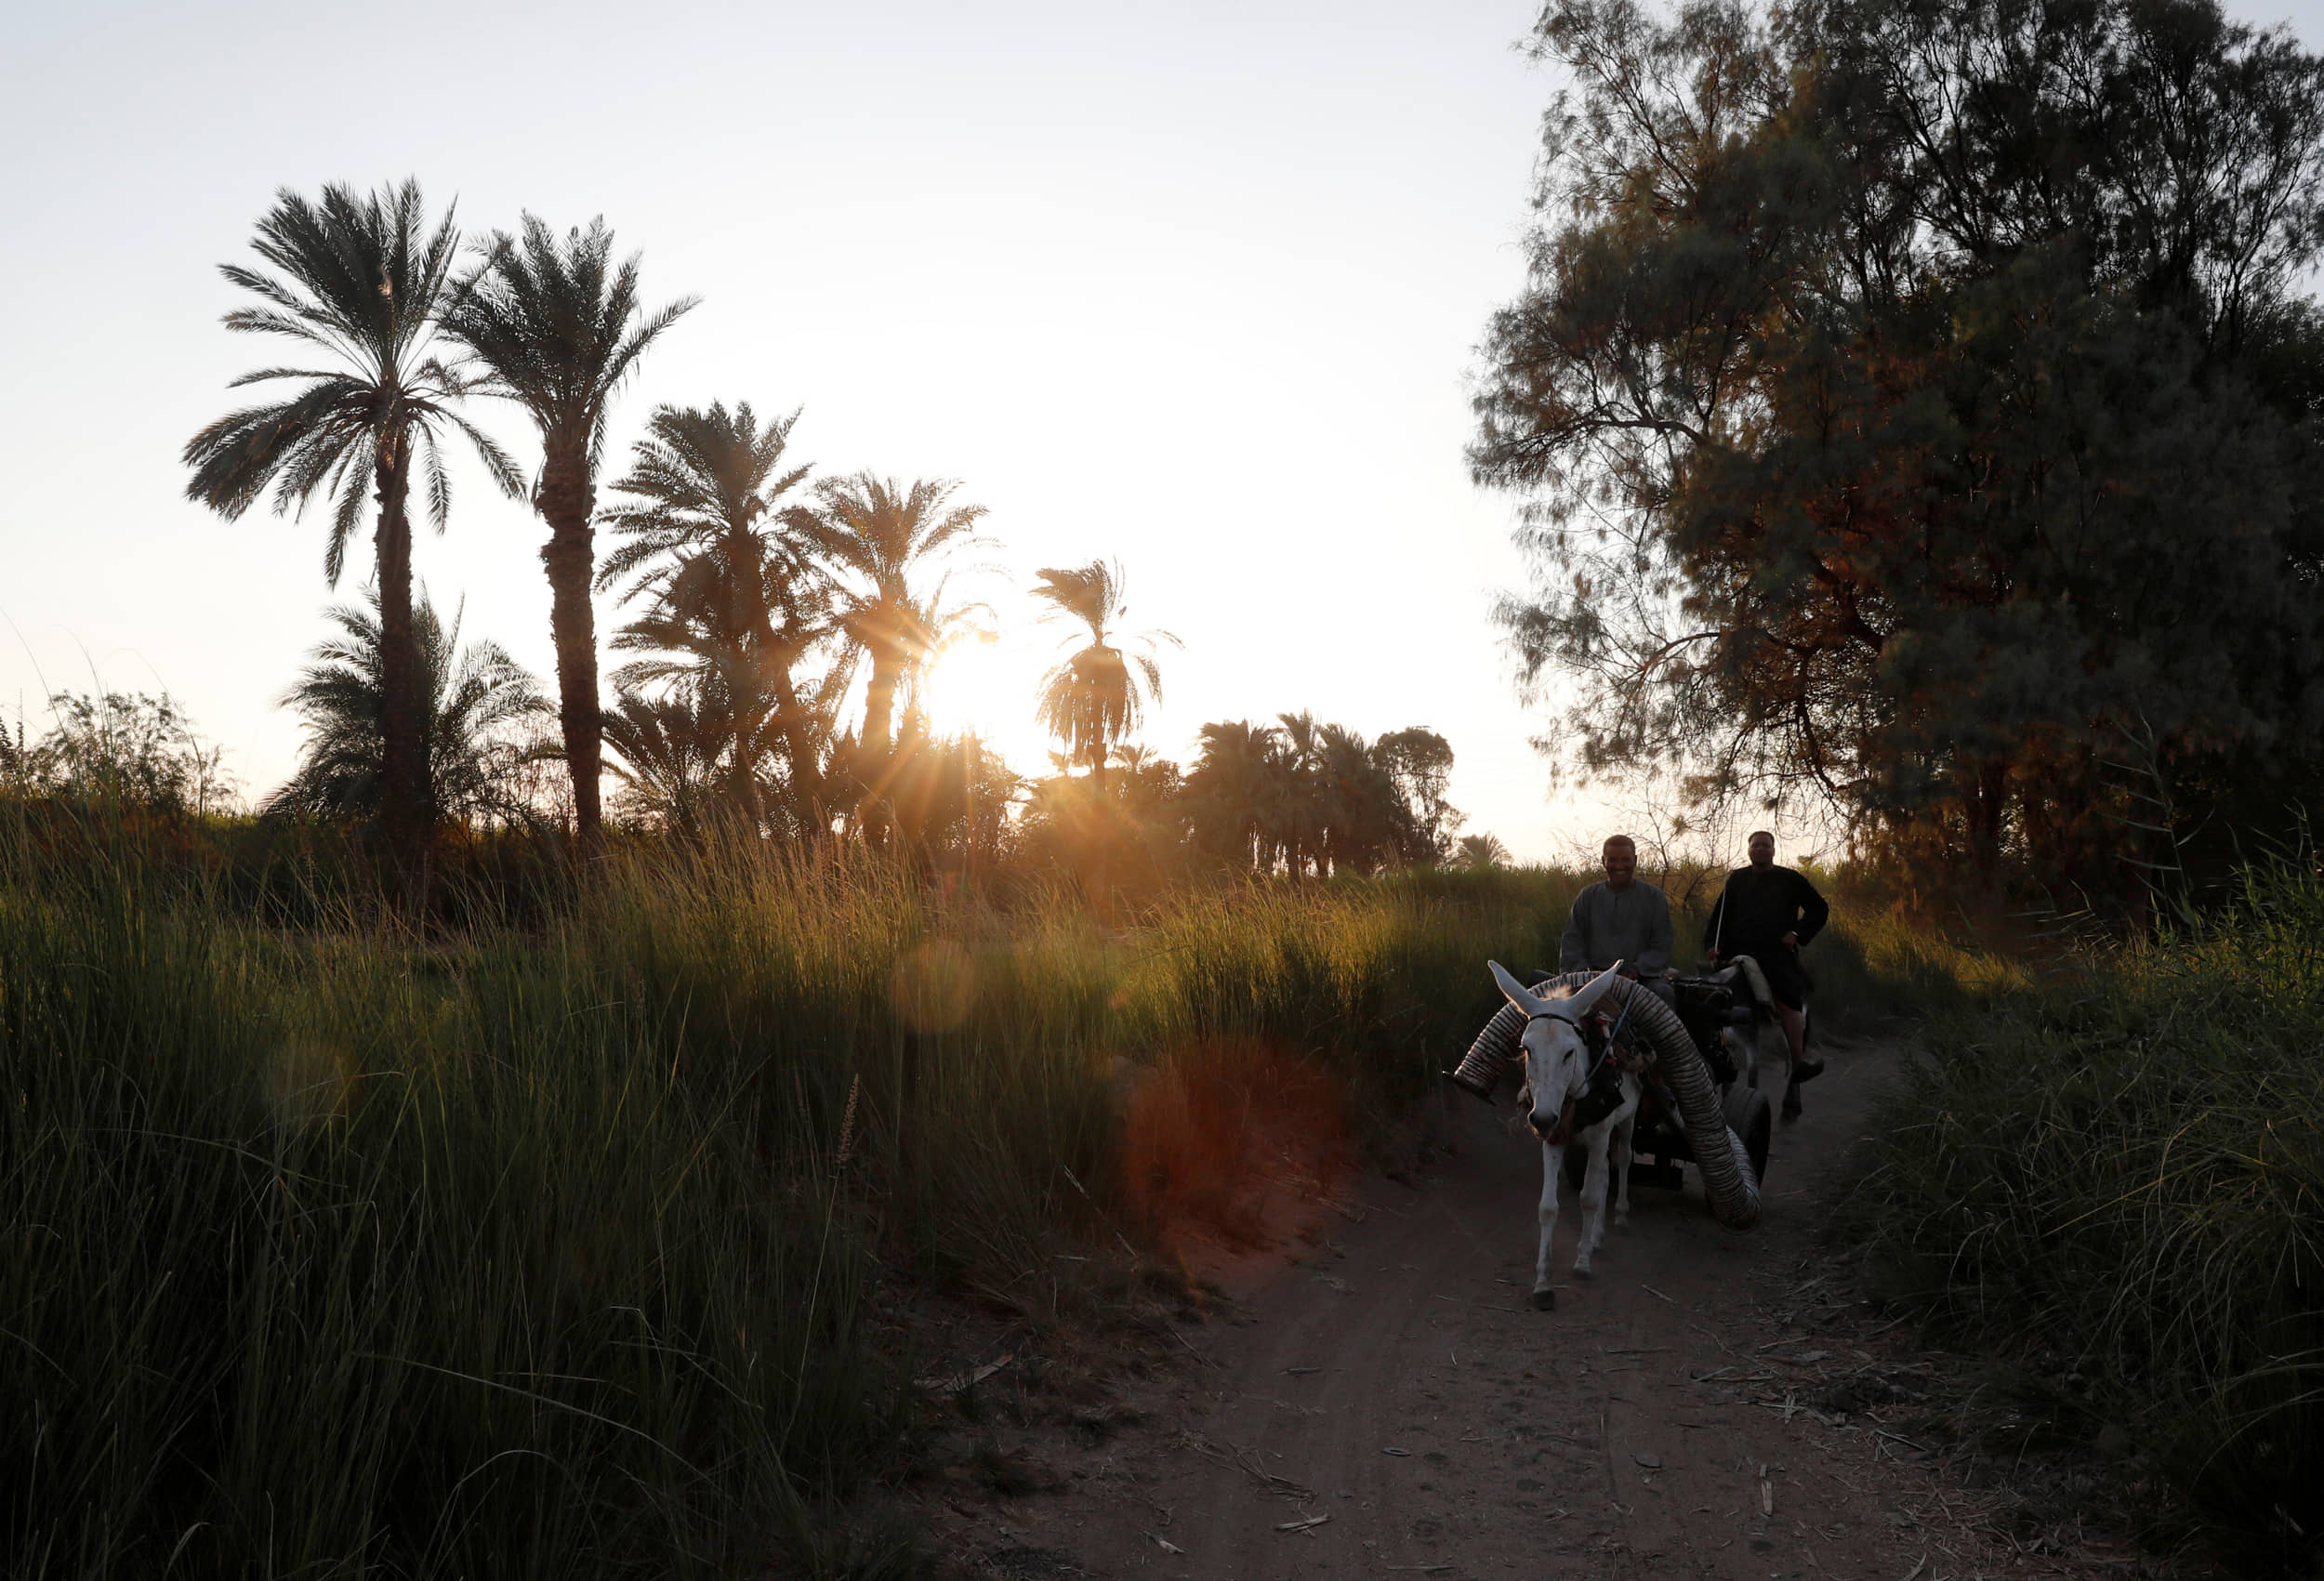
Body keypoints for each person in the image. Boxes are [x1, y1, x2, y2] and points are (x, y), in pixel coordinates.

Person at [1702, 830, 1828, 1078]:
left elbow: (1819, 908)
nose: (1760, 849)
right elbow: (1720, 916)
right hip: (1735, 950)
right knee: (1705, 994)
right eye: (1755, 845)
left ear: (1773, 850)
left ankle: (1798, 1061)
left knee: (1789, 999)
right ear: (1748, 849)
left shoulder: (1790, 878)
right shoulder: (1736, 878)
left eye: (1765, 846)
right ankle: (1710, 1056)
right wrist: (1711, 946)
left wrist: (1797, 933)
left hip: (1775, 952)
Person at [1560, 834, 1675, 1000]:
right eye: (1612, 860)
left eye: (1625, 860)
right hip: (1591, 981)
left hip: (1639, 980)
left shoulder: (1653, 897)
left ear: (1635, 860)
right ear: (1603, 861)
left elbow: (1661, 945)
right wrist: (1585, 973)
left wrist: (1636, 969)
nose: (1619, 866)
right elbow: (1572, 944)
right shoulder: (1587, 897)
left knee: (1663, 993)